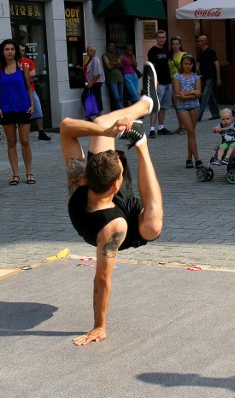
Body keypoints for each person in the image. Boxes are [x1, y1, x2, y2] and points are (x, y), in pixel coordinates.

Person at [60, 62, 163, 346]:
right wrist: (99, 326)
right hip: (124, 227)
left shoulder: (78, 181)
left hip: (100, 197)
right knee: (153, 225)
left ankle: (145, 103)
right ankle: (142, 146)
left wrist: (107, 133)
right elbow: (102, 280)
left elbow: (66, 127)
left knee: (102, 122)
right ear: (119, 183)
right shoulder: (114, 227)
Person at [0, 38, 35, 185]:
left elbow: (29, 88)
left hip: (23, 107)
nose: (10, 52)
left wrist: (32, 105)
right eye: (7, 49)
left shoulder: (23, 68)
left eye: (12, 49)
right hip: (6, 108)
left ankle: (29, 172)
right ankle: (15, 174)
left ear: (16, 51)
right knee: (11, 142)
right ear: (2, 52)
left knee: (25, 141)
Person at [172, 54, 202, 169]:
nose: (188, 66)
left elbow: (199, 93)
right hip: (182, 107)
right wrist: (192, 93)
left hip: (195, 106)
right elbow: (178, 94)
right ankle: (198, 159)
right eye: (186, 64)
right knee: (190, 130)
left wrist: (186, 95)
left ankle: (189, 158)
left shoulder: (196, 76)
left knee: (191, 132)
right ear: (182, 65)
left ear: (193, 64)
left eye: (190, 64)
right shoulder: (177, 77)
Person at [19, 44, 51, 140]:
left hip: (31, 90)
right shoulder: (13, 63)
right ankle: (22, 133)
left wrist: (22, 77)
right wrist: (27, 77)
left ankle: (41, 132)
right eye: (20, 50)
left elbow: (33, 74)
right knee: (20, 112)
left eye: (23, 50)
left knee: (38, 110)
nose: (21, 52)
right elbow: (29, 77)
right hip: (18, 91)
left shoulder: (28, 62)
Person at [147, 30, 172, 138]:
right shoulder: (152, 51)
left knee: (163, 107)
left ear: (166, 38)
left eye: (163, 37)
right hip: (159, 82)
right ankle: (152, 129)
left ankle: (161, 127)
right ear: (156, 38)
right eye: (160, 37)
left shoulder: (166, 51)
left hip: (168, 82)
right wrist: (155, 80)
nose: (162, 39)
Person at [196, 35, 221, 121]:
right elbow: (198, 64)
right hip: (203, 76)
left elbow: (216, 64)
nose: (197, 43)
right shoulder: (200, 52)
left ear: (203, 41)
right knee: (210, 95)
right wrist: (197, 72)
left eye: (199, 41)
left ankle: (199, 115)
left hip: (210, 76)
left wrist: (218, 77)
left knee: (205, 95)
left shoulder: (211, 51)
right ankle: (216, 113)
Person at [168, 35, 187, 135]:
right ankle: (180, 126)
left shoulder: (184, 55)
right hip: (172, 82)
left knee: (181, 105)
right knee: (176, 106)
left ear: (180, 44)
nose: (175, 46)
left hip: (181, 82)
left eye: (177, 44)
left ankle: (184, 126)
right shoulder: (170, 56)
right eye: (173, 44)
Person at [80, 45, 105, 118]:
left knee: (96, 97)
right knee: (86, 97)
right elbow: (89, 70)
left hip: (96, 82)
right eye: (87, 50)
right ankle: (90, 114)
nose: (88, 51)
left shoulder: (95, 60)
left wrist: (91, 83)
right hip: (90, 82)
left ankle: (99, 114)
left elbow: (97, 73)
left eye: (90, 50)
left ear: (94, 52)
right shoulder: (90, 60)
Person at [102, 41, 124, 110]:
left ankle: (121, 112)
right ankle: (123, 111)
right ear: (108, 47)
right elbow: (109, 66)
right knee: (116, 97)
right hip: (112, 79)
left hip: (120, 78)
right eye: (111, 46)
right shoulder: (105, 55)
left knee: (121, 97)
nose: (112, 47)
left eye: (114, 46)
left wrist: (114, 63)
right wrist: (117, 64)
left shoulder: (116, 55)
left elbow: (121, 66)